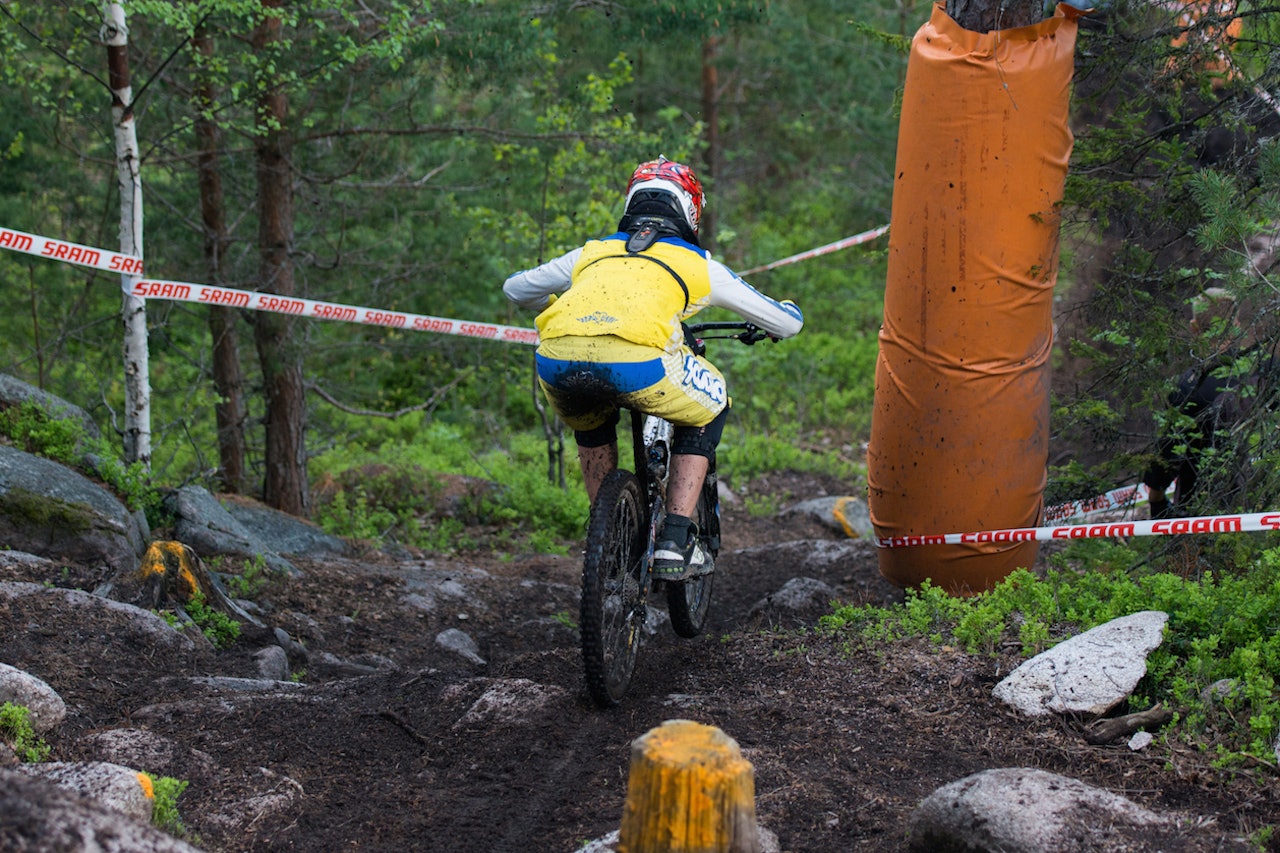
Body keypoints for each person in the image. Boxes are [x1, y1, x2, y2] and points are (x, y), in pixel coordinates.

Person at [503, 157, 804, 579]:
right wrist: (787, 310)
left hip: (556, 360)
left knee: (591, 421)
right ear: (690, 209)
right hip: (642, 366)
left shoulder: (591, 252)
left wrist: (560, 309)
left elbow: (515, 288)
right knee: (713, 404)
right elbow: (787, 324)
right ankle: (675, 539)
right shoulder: (698, 264)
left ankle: (608, 534)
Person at [1142, 287, 1258, 518]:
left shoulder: (1189, 387)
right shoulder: (1262, 370)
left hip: (1202, 508)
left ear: (1194, 327)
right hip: (1260, 502)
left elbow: (1168, 450)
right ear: (1235, 324)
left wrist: (1156, 497)